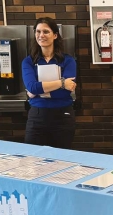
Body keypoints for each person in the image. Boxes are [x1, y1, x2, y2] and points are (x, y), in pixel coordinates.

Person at [21, 17, 77, 148]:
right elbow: (32, 87)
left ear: (55, 35)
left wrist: (38, 89)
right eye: (38, 31)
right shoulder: (28, 61)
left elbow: (65, 92)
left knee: (62, 160)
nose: (41, 35)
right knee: (32, 160)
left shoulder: (68, 61)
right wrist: (62, 83)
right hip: (37, 116)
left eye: (46, 32)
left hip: (63, 116)